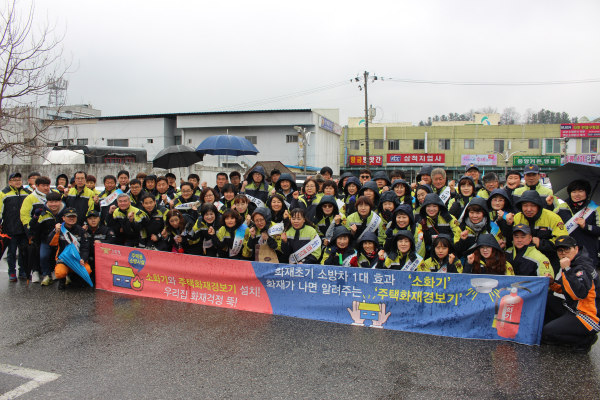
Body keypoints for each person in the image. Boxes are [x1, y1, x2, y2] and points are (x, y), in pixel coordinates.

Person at [543, 235, 599, 353]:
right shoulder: (574, 263)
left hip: (588, 316)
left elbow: (579, 294)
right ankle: (559, 332)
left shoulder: (582, 267)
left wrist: (567, 270)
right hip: (573, 309)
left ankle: (585, 340)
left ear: (576, 249)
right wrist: (552, 283)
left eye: (567, 249)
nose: (563, 253)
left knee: (548, 332)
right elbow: (566, 288)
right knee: (546, 299)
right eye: (560, 250)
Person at [509, 190, 568, 273]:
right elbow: (511, 238)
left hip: (550, 260)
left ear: (539, 206)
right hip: (524, 262)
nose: (529, 209)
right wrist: (507, 224)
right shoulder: (517, 217)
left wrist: (541, 243)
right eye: (525, 205)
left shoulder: (553, 218)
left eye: (533, 205)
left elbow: (563, 241)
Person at [555, 179, 600, 269]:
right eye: (574, 191)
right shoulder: (561, 208)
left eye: (580, 191)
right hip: (566, 253)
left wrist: (586, 226)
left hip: (588, 254)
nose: (577, 194)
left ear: (587, 192)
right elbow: (551, 224)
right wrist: (548, 205)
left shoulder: (594, 209)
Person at [20, 176, 55, 283]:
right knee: (35, 250)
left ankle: (52, 270)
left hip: (50, 228)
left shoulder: (53, 195)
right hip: (36, 229)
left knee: (51, 251)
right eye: (43, 186)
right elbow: (25, 214)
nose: (46, 188)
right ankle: (35, 271)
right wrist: (29, 229)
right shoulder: (30, 198)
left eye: (47, 185)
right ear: (37, 186)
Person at [47, 207, 92, 290]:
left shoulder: (81, 231)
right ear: (63, 218)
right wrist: (55, 232)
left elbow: (85, 247)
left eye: (73, 216)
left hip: (78, 259)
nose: (72, 218)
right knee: (60, 273)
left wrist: (83, 258)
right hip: (64, 260)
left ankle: (79, 279)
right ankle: (62, 280)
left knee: (87, 270)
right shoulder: (60, 229)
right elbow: (50, 243)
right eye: (69, 216)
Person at [29, 192, 66, 286]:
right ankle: (46, 274)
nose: (53, 204)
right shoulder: (43, 212)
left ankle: (62, 274)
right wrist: (35, 217)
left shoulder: (65, 212)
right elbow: (32, 226)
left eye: (56, 202)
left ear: (60, 202)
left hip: (62, 240)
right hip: (46, 239)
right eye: (51, 202)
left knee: (62, 257)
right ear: (47, 202)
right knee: (43, 256)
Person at [0, 172, 31, 281]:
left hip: (24, 228)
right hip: (10, 228)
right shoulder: (3, 193)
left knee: (23, 252)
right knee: (11, 252)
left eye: (19, 179)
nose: (17, 181)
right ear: (9, 182)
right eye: (14, 180)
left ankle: (22, 271)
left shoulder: (27, 192)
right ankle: (12, 272)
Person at [419, 193, 461, 258]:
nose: (431, 209)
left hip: (449, 253)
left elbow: (457, 234)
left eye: (434, 206)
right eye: (428, 206)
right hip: (432, 255)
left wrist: (454, 249)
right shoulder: (423, 221)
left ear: (439, 206)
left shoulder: (449, 218)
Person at [84, 210, 115, 281]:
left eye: (95, 218)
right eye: (90, 218)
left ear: (99, 219)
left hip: (102, 260)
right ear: (87, 220)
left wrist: (101, 242)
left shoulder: (106, 230)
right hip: (87, 259)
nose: (93, 220)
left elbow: (113, 242)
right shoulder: (83, 230)